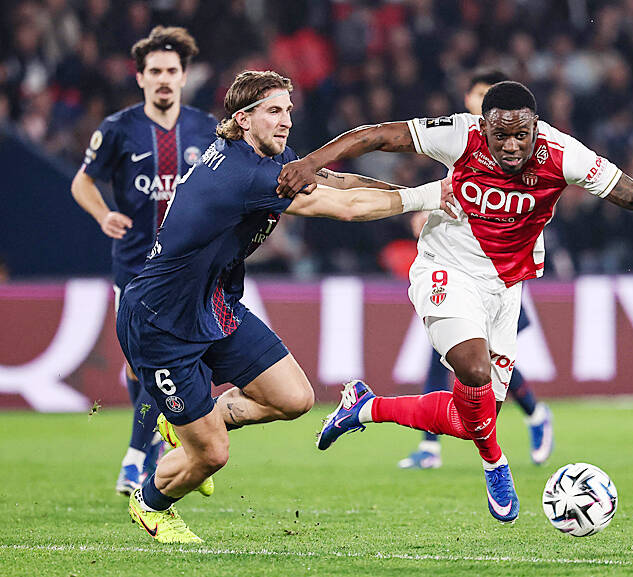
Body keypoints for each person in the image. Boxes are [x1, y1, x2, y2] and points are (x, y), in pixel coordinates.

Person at [277, 81, 633, 524]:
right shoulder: (459, 135)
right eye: (500, 136)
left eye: (521, 135)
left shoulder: (563, 154)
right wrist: (311, 163)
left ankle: (365, 407)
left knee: (470, 418)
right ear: (483, 126)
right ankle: (496, 462)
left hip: (507, 288)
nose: (511, 146)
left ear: (536, 127)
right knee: (473, 369)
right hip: (447, 268)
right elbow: (378, 135)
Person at [119, 69, 449, 543]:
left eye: (288, 110)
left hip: (214, 304)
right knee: (211, 454)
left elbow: (339, 183)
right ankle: (151, 503)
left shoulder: (270, 159)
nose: (286, 120)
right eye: (274, 111)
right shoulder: (243, 174)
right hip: (160, 322)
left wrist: (415, 201)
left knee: (294, 399)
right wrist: (431, 196)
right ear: (243, 119)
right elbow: (345, 207)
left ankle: (190, 422)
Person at [70, 26, 218, 497]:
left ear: (184, 76)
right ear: (140, 77)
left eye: (171, 70)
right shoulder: (118, 129)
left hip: (190, 270)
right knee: (141, 369)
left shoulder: (206, 129)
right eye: (154, 71)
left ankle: (136, 460)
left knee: (165, 365)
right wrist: (103, 214)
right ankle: (154, 449)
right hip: (135, 266)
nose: (163, 79)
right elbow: (82, 182)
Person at [399, 69, 553, 471]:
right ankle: (431, 445)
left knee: (483, 360)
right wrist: (427, 209)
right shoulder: (460, 140)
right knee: (456, 356)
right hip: (456, 266)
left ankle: (534, 413)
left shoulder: (522, 150)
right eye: (478, 95)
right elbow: (453, 193)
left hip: (502, 271)